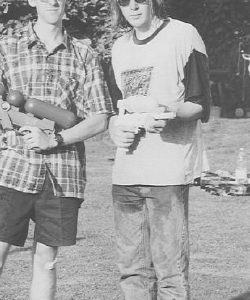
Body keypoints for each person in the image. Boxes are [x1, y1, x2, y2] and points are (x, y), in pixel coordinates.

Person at [0, 0, 113, 299]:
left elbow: (100, 117)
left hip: (62, 176)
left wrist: (56, 140)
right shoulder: (7, 47)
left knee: (46, 262)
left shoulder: (85, 54)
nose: (53, 1)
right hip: (13, 168)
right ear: (32, 1)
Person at [107, 0, 211, 299]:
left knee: (171, 273)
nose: (133, 7)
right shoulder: (119, 48)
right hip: (126, 172)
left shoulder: (183, 35)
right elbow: (117, 109)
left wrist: (166, 112)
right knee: (132, 272)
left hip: (168, 172)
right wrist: (118, 129)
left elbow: (201, 104)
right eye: (124, 2)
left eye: (140, 0)